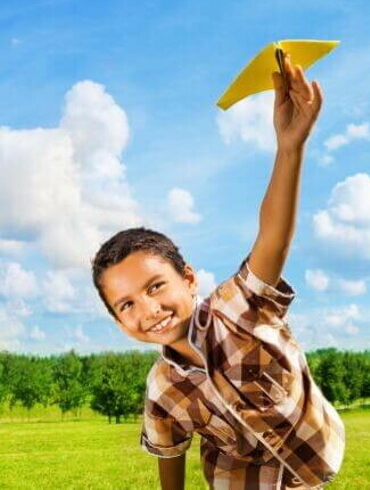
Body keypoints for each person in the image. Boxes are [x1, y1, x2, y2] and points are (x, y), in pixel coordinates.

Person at [91, 53, 345, 489]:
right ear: (118, 321)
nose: (148, 309)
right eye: (127, 304)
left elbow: (273, 238)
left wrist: (289, 147)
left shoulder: (239, 307)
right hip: (238, 477)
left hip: (314, 455)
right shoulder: (163, 389)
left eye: (156, 286)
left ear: (189, 279)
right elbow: (170, 455)